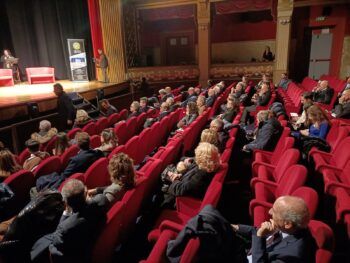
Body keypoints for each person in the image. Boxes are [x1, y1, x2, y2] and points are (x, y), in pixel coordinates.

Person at [31, 179, 106, 262]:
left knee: (43, 242)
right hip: (93, 239)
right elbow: (105, 190)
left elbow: (56, 242)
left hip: (77, 254)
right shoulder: (101, 200)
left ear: (66, 202)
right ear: (85, 193)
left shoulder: (64, 227)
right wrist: (91, 194)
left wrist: (66, 213)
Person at [231, 196, 315, 263]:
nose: (269, 212)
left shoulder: (292, 255)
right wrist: (235, 228)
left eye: (275, 211)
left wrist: (260, 236)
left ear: (287, 224)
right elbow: (258, 230)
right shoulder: (290, 228)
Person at [35, 132, 104, 191]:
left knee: (42, 180)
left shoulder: (75, 160)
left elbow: (65, 175)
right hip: (88, 178)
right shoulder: (98, 153)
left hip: (73, 182)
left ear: (78, 145)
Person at [162, 142, 221, 208]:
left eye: (197, 156)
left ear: (201, 159)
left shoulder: (200, 176)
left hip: (178, 201)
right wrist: (180, 175)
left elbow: (182, 190)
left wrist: (173, 178)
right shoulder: (205, 166)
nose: (195, 157)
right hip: (181, 183)